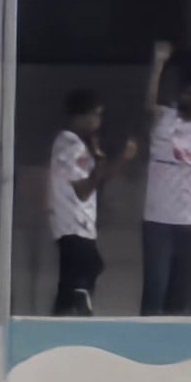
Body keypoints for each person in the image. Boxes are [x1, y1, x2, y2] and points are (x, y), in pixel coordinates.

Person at [47, 93, 132, 315]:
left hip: (80, 223)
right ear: (80, 117)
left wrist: (112, 160)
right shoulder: (70, 145)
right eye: (95, 115)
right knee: (89, 266)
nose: (98, 122)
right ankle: (78, 301)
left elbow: (98, 178)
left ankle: (63, 314)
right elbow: (83, 190)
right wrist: (112, 162)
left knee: (73, 276)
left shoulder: (80, 146)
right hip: (73, 223)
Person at [140, 41, 191, 316]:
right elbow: (150, 104)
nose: (189, 98)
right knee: (155, 288)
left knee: (180, 293)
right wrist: (158, 65)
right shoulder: (166, 117)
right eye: (187, 93)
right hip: (158, 220)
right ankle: (144, 347)